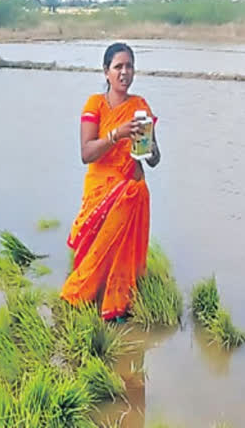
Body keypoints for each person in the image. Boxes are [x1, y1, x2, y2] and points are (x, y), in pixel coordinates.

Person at [60, 42, 161, 321]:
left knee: (124, 253)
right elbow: (86, 153)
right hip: (102, 189)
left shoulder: (140, 107)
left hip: (132, 191)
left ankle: (119, 304)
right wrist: (117, 134)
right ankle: (81, 297)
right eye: (118, 67)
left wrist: (148, 145)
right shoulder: (96, 105)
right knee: (97, 248)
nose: (124, 72)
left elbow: (154, 159)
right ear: (106, 72)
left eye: (129, 66)